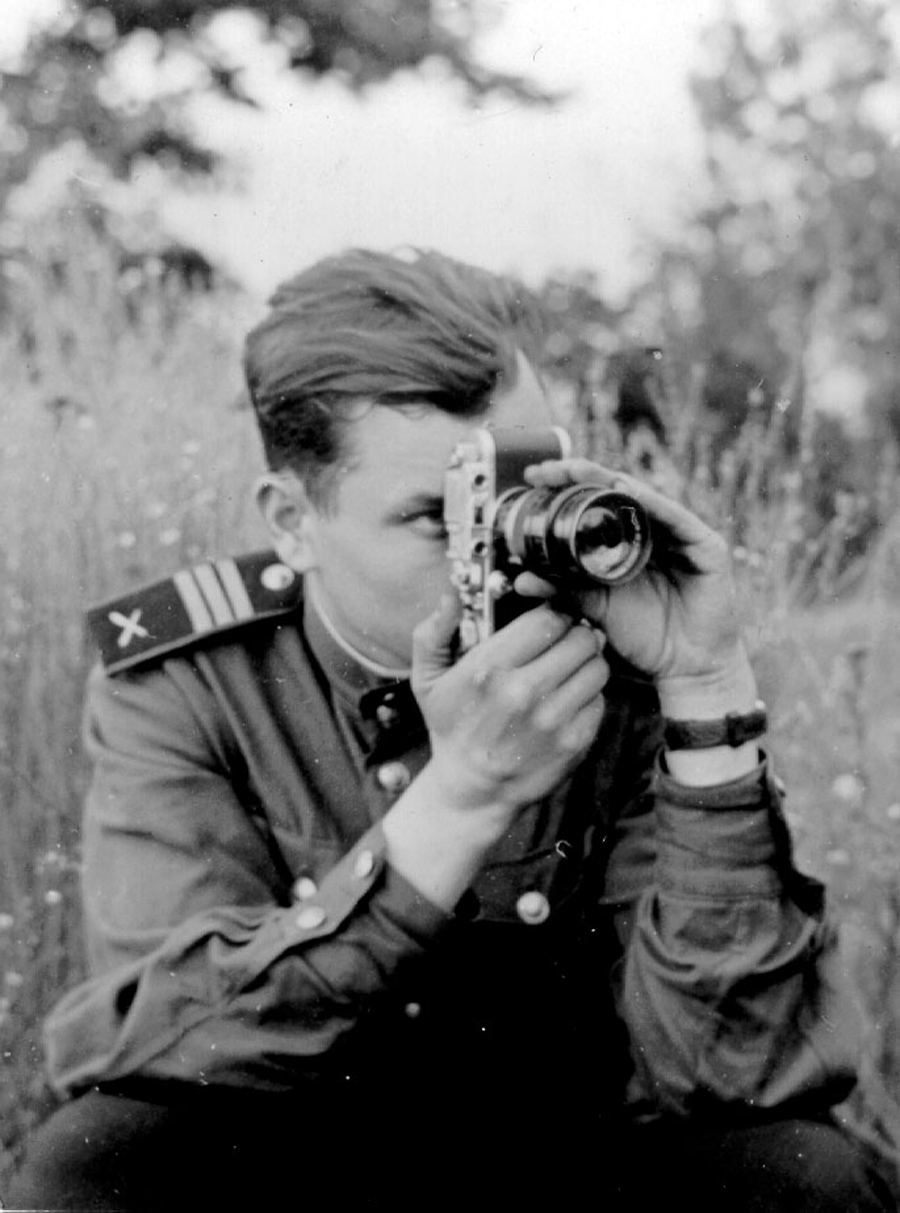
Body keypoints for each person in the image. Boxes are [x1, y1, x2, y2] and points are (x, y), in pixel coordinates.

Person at [8, 249, 896, 1211]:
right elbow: (168, 1046)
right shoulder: (192, 678)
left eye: (520, 497)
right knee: (92, 1166)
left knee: (807, 1175)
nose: (506, 555)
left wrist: (706, 685)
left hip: (578, 1159)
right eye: (446, 518)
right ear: (293, 522)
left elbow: (736, 1074)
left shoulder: (623, 651)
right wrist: (461, 797)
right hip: (309, 1161)